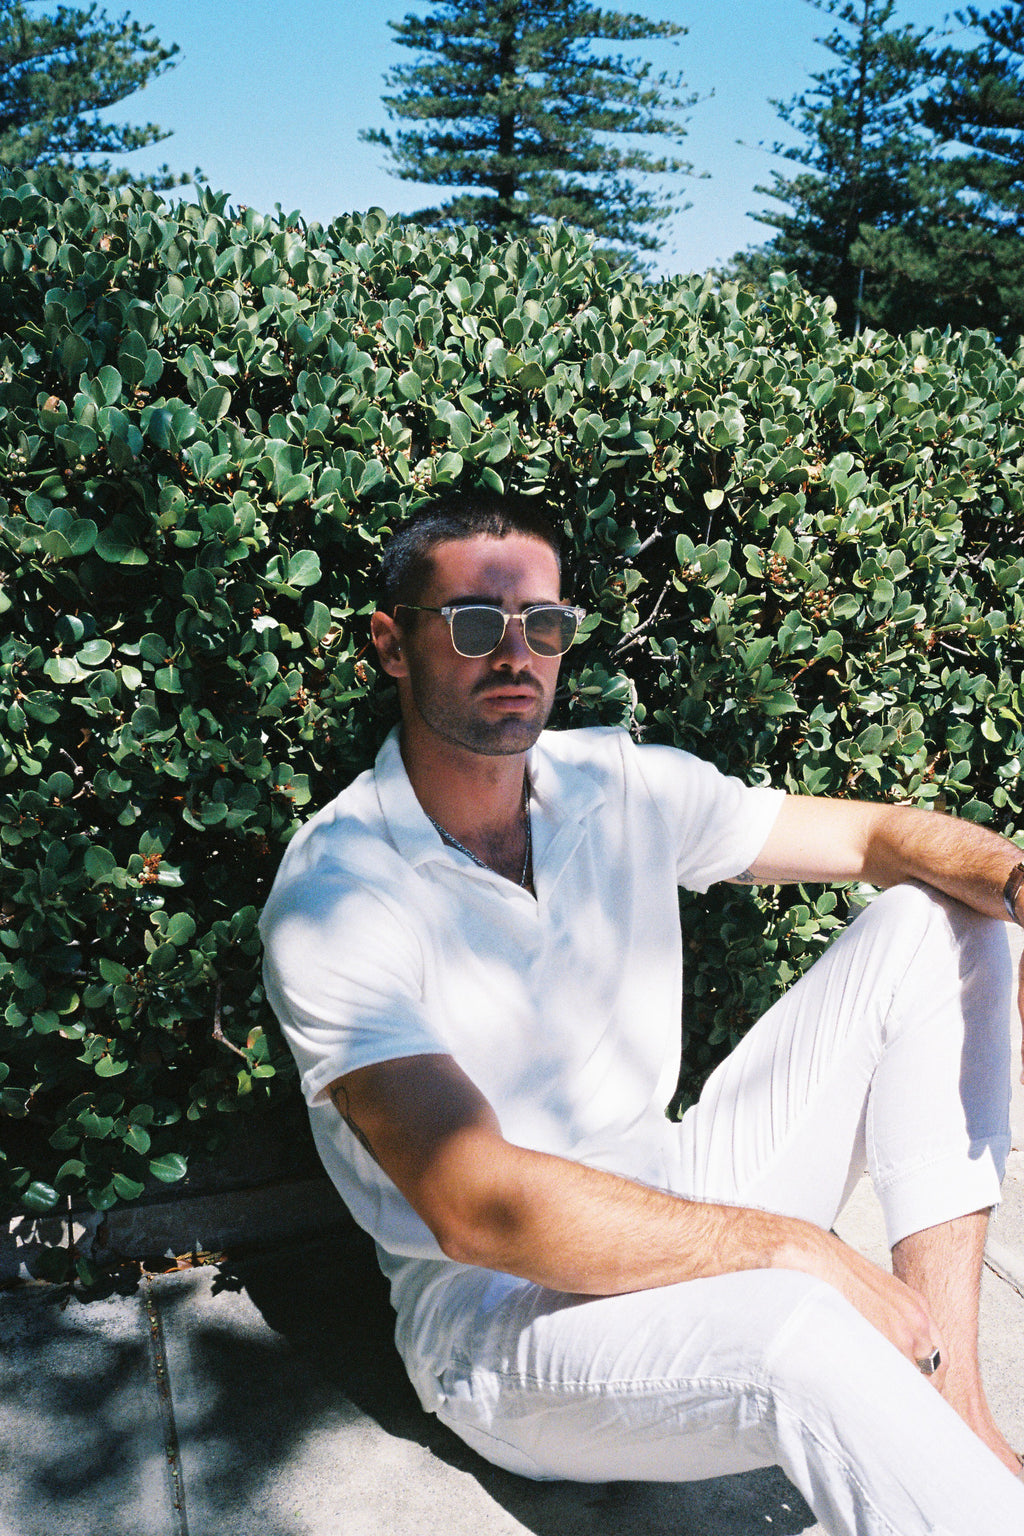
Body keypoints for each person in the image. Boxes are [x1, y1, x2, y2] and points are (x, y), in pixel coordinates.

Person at [260, 500, 1024, 1535]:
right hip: (497, 1323)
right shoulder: (335, 892)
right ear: (391, 644)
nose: (515, 654)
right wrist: (793, 1246)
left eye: (544, 625)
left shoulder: (607, 786)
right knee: (799, 1332)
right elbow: (473, 1204)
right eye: (475, 624)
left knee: (940, 925)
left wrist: (1016, 881)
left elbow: (882, 835)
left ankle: (958, 1413)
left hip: (669, 1192)